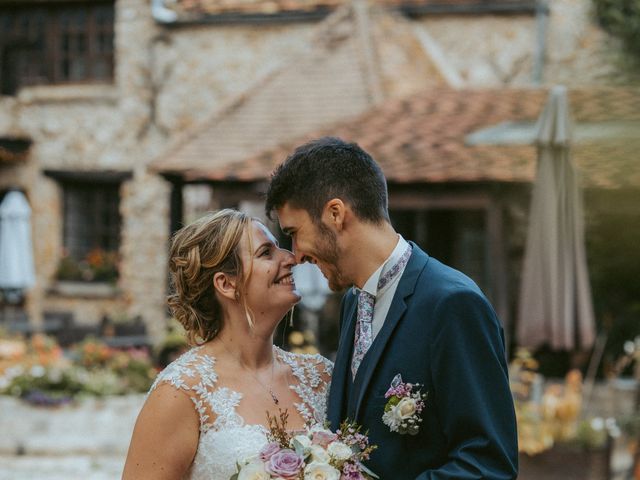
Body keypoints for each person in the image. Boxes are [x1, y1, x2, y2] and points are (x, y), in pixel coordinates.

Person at [265, 137, 518, 479]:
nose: (296, 255)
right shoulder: (354, 303)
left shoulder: (452, 304)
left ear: (336, 214)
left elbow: (489, 464)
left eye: (295, 233)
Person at [122, 209, 332, 480]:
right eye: (266, 253)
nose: (291, 258)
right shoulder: (181, 393)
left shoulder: (320, 377)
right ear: (226, 283)